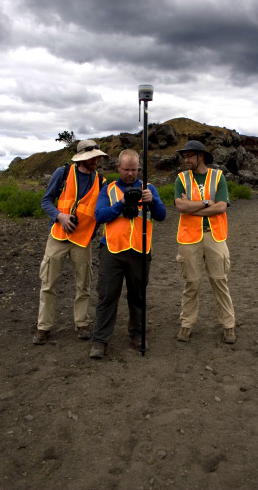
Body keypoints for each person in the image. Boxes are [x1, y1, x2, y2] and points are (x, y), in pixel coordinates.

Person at [89, 149, 167, 359]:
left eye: (134, 170)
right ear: (118, 168)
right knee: (107, 296)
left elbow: (161, 216)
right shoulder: (109, 190)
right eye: (126, 169)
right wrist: (122, 203)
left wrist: (152, 201)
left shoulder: (148, 189)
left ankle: (137, 335)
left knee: (138, 297)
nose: (130, 174)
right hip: (112, 250)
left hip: (140, 252)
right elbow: (100, 215)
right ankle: (100, 340)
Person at [33, 140, 108, 345]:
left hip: (82, 240)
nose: (96, 160)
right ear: (82, 158)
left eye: (98, 157)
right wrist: (60, 217)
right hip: (58, 236)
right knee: (48, 283)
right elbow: (46, 201)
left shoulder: (101, 181)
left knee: (83, 284)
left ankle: (81, 322)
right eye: (93, 157)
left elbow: (104, 209)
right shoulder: (63, 173)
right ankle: (43, 327)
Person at [173, 140, 236, 344]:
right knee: (191, 283)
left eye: (189, 155)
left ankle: (228, 326)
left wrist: (195, 208)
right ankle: (186, 325)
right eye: (184, 156)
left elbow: (221, 208)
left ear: (200, 156)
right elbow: (180, 206)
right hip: (189, 238)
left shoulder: (218, 177)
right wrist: (207, 202)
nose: (186, 159)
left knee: (220, 282)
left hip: (215, 236)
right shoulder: (181, 178)